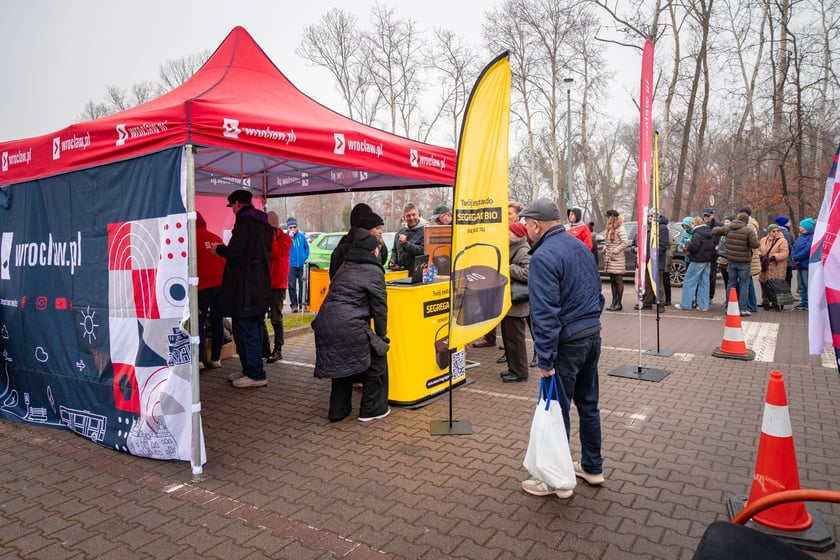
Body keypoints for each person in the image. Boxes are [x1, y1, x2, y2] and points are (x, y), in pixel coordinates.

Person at [518, 198, 605, 499]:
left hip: (567, 343)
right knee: (588, 405)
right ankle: (592, 467)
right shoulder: (580, 247)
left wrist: (545, 359)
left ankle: (555, 480)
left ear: (536, 225)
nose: (525, 229)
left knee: (557, 409)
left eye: (526, 223)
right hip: (591, 335)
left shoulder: (543, 257)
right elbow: (598, 293)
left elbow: (544, 313)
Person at [312, 230, 391, 422]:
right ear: (374, 251)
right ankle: (373, 409)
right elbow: (379, 307)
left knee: (343, 363)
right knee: (377, 360)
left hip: (325, 322)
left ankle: (338, 411)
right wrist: (381, 335)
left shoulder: (345, 266)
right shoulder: (373, 270)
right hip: (349, 323)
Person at [213, 189, 273, 388]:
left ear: (237, 203)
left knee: (246, 331)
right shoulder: (264, 223)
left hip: (247, 288)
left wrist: (218, 249)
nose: (232, 210)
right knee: (249, 328)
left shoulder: (245, 222)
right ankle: (249, 369)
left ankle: (256, 374)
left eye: (232, 206)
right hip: (259, 285)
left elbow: (235, 251)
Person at [500, 222, 531, 383]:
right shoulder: (512, 247)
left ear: (516, 235)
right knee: (509, 338)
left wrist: (507, 268)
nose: (505, 235)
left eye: (508, 232)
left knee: (516, 340)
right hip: (509, 300)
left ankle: (520, 372)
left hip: (517, 302)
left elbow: (528, 273)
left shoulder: (523, 250)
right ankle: (513, 369)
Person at [713, 212, 758, 317]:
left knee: (731, 284)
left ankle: (729, 307)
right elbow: (755, 245)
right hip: (744, 263)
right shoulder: (748, 231)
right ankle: (742, 309)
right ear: (746, 221)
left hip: (731, 261)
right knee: (744, 285)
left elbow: (715, 230)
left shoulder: (729, 229)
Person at [195, 212, 225, 370]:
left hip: (201, 287)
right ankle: (216, 359)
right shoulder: (216, 238)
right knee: (217, 321)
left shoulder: (191, 240)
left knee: (199, 323)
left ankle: (199, 360)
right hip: (220, 286)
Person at [265, 211, 292, 363]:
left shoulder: (286, 239)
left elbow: (275, 253)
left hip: (278, 284)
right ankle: (264, 348)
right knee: (259, 316)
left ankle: (278, 348)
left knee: (276, 318)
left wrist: (272, 237)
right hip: (265, 283)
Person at [674, 215, 715, 311]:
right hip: (708, 260)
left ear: (695, 223)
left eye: (692, 223)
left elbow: (694, 248)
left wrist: (687, 243)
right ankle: (703, 305)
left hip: (697, 260)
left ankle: (685, 304)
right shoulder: (709, 232)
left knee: (689, 281)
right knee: (704, 282)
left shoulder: (697, 234)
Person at [633, 213, 669, 312]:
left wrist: (653, 255)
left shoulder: (662, 228)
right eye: (648, 216)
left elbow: (663, 245)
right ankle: (647, 302)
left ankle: (660, 303)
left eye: (651, 216)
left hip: (656, 260)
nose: (649, 218)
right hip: (646, 260)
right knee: (647, 283)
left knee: (658, 283)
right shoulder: (647, 228)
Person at [758, 224, 790, 308]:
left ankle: (777, 303)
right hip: (765, 266)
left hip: (777, 266)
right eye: (773, 231)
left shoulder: (782, 241)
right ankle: (765, 301)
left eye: (777, 231)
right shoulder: (763, 240)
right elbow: (758, 250)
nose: (776, 232)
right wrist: (760, 255)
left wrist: (774, 257)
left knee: (776, 284)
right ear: (769, 232)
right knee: (763, 283)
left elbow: (785, 253)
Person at [603, 209, 628, 311]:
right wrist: (605, 247)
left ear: (612, 217)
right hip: (610, 258)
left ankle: (619, 303)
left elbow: (625, 242)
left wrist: (615, 250)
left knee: (618, 280)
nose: (607, 219)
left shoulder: (620, 228)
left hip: (617, 258)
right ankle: (614, 301)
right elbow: (609, 242)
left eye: (608, 217)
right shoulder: (610, 227)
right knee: (612, 280)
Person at [388, 203, 425, 270]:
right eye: (408, 216)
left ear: (418, 215)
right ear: (404, 217)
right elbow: (394, 250)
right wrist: (393, 261)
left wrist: (406, 244)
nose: (411, 218)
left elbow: (422, 251)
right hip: (400, 272)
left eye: (413, 215)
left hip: (417, 273)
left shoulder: (425, 231)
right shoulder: (400, 232)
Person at [791, 217, 815, 310]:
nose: (799, 227)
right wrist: (793, 257)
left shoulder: (812, 237)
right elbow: (794, 247)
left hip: (806, 265)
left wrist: (796, 257)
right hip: (799, 264)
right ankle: (804, 302)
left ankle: (809, 303)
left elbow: (807, 250)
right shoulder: (801, 236)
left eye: (801, 226)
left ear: (806, 227)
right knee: (800, 285)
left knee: (807, 284)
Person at [287, 217, 310, 312]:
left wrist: (304, 257)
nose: (293, 229)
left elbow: (306, 248)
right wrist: (290, 237)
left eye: (294, 227)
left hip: (300, 264)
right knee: (291, 285)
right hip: (291, 265)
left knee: (302, 284)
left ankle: (302, 303)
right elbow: (285, 247)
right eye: (291, 227)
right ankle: (294, 305)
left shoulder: (301, 236)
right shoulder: (286, 237)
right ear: (288, 228)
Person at [702, 209, 723, 303]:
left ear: (712, 215)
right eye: (705, 216)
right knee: (704, 275)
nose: (706, 217)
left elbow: (722, 239)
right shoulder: (702, 225)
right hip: (703, 253)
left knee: (711, 275)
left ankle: (710, 296)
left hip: (713, 254)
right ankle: (702, 295)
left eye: (708, 216)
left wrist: (717, 247)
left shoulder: (719, 225)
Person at [774, 215, 794, 286]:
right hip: (786, 259)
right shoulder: (785, 233)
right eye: (788, 222)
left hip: (779, 259)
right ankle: (786, 292)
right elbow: (789, 246)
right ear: (784, 223)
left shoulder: (776, 232)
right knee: (787, 278)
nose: (789, 224)